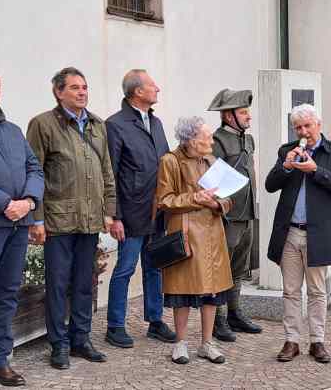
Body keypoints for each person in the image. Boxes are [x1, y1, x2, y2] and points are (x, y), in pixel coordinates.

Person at [26, 67, 116, 370]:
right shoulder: (42, 124)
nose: (82, 92)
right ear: (59, 92)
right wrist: (35, 219)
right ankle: (59, 344)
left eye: (85, 87)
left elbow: (106, 171)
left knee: (84, 283)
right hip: (57, 221)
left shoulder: (97, 125)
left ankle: (81, 339)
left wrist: (109, 211)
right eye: (75, 87)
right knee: (58, 284)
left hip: (90, 220)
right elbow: (34, 173)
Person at [265, 104, 331, 363]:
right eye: (298, 127)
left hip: (318, 233)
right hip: (290, 232)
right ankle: (291, 340)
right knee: (290, 290)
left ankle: (317, 342)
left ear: (318, 125)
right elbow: (270, 185)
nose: (303, 131)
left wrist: (315, 170)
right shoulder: (286, 151)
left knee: (316, 291)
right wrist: (286, 166)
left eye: (307, 126)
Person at [0, 68, 44, 387]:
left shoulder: (14, 130)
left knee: (7, 294)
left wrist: (29, 201)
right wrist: (5, 203)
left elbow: (35, 168)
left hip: (18, 225)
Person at [104, 69, 175, 348]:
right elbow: (110, 172)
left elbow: (167, 163)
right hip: (130, 213)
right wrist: (115, 216)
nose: (157, 88)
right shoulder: (116, 125)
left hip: (156, 211)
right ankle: (115, 325)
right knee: (125, 268)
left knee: (155, 267)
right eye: (151, 85)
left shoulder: (155, 123)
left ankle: (155, 320)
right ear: (137, 92)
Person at [155, 116, 234, 365]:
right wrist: (195, 198)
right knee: (183, 290)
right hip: (186, 233)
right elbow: (164, 200)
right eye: (206, 137)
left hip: (212, 232)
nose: (211, 141)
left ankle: (207, 343)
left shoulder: (211, 161)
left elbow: (228, 199)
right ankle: (180, 343)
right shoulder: (170, 161)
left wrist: (215, 203)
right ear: (191, 140)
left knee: (212, 289)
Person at [208, 88, 262, 342]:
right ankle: (218, 319)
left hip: (248, 213)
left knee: (239, 267)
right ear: (228, 116)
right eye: (243, 112)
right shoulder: (216, 142)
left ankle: (234, 312)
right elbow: (210, 182)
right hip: (228, 218)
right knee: (222, 269)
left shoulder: (248, 140)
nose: (248, 116)